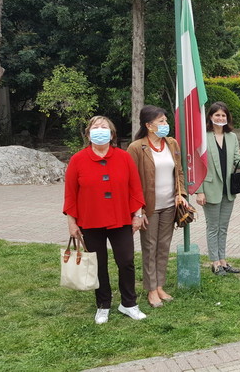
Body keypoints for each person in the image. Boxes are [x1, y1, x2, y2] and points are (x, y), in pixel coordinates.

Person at [63, 115, 147, 324]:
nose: (99, 130)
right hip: (90, 220)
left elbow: (135, 188)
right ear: (88, 133)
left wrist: (137, 215)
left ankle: (129, 303)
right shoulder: (78, 159)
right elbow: (70, 193)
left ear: (112, 134)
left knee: (126, 261)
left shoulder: (124, 157)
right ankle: (103, 305)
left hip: (120, 219)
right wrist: (72, 222)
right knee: (97, 263)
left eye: (104, 127)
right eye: (95, 127)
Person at [128, 105, 190, 308]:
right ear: (148, 125)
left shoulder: (171, 143)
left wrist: (181, 194)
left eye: (166, 120)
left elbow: (179, 172)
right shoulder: (137, 147)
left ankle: (160, 285)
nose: (165, 124)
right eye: (161, 121)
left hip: (170, 205)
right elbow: (131, 181)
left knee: (163, 247)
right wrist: (138, 210)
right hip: (149, 208)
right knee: (150, 247)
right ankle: (151, 289)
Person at [195, 102, 240, 275]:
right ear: (210, 116)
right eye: (217, 115)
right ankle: (215, 262)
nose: (220, 118)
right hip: (209, 189)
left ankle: (223, 260)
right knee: (213, 227)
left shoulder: (232, 137)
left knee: (223, 227)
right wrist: (199, 190)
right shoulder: (202, 137)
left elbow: (237, 161)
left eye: (223, 115)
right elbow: (197, 165)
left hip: (228, 189)